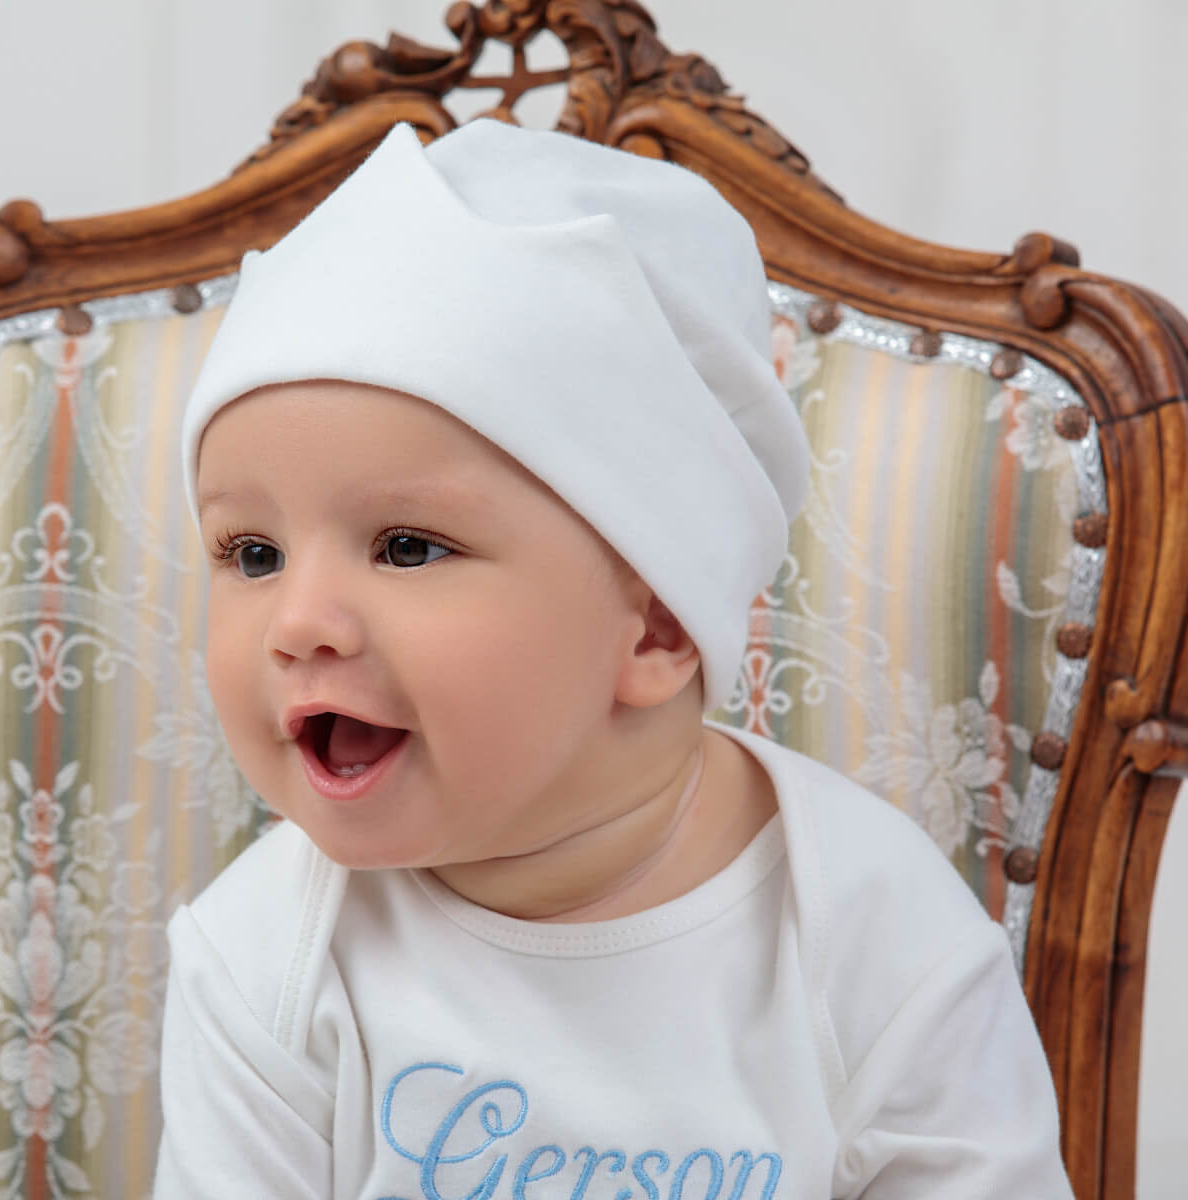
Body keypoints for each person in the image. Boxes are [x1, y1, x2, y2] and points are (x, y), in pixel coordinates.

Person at [153, 119, 1074, 1198]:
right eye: (251, 552)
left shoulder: (873, 931)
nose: (297, 620)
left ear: (656, 629)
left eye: (407, 546)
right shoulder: (265, 957)